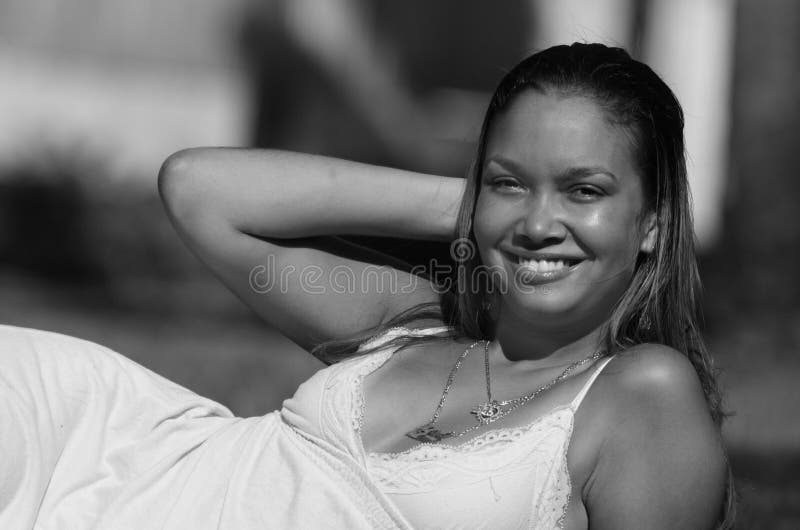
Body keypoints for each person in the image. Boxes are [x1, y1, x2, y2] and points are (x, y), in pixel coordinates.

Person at [0, 43, 734, 529]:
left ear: (651, 224)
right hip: (85, 452)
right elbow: (200, 190)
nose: (541, 222)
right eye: (511, 182)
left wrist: (506, 205)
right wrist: (479, 212)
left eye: (584, 191)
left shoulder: (642, 396)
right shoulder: (413, 317)